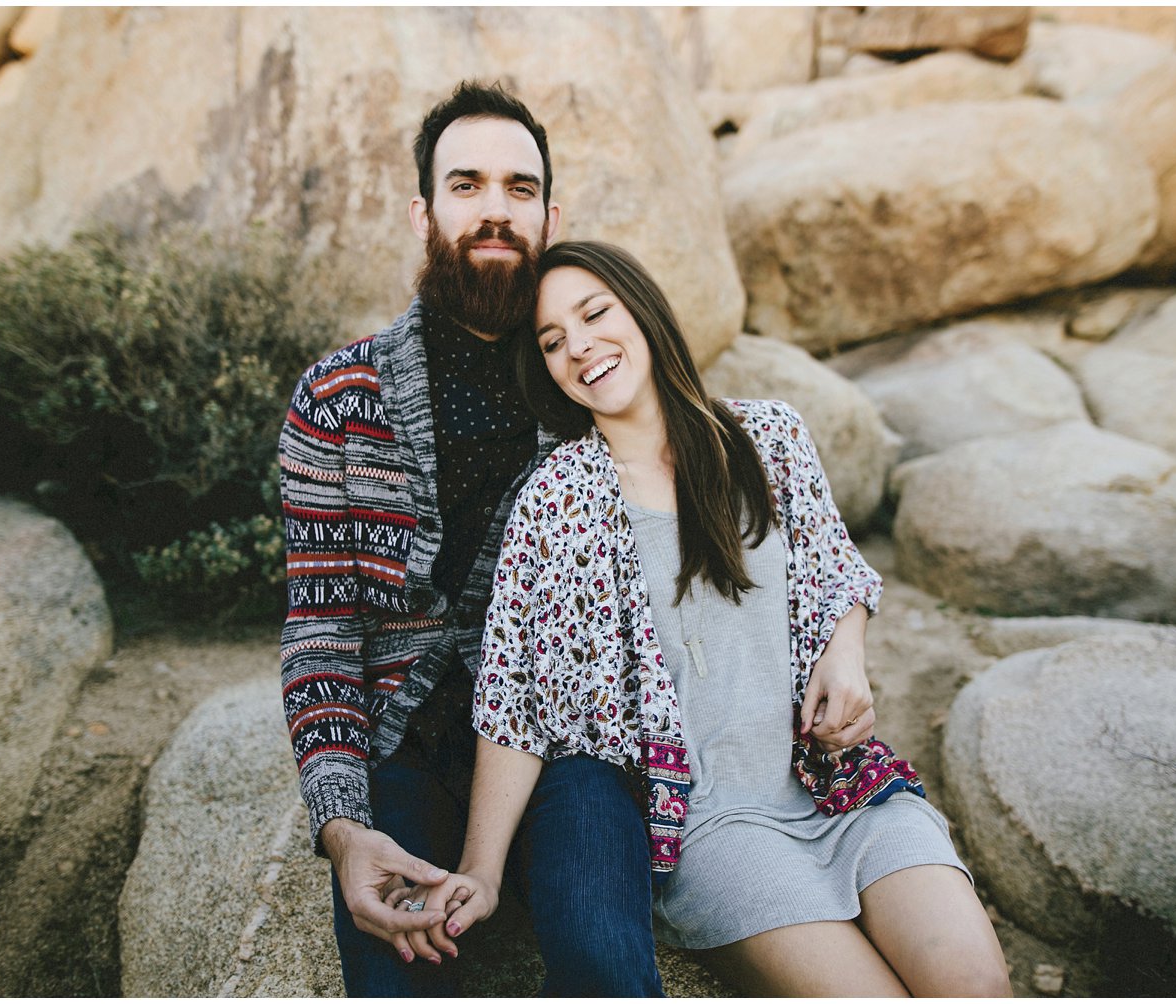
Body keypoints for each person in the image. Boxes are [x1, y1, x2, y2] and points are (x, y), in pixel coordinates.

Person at [404, 241, 1012, 996]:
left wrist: (845, 651)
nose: (580, 347)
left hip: (843, 791)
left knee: (977, 988)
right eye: (554, 342)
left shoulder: (771, 437)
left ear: (645, 310)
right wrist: (482, 870)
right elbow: (515, 700)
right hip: (715, 830)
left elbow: (836, 570)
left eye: (595, 314)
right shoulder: (557, 501)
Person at [278, 87, 664, 996]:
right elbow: (321, 629)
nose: (496, 207)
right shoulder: (338, 400)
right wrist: (342, 826)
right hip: (400, 741)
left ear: (550, 215)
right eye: (467, 184)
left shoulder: (592, 391)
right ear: (425, 211)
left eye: (519, 189)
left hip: (566, 740)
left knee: (604, 959)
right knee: (394, 970)